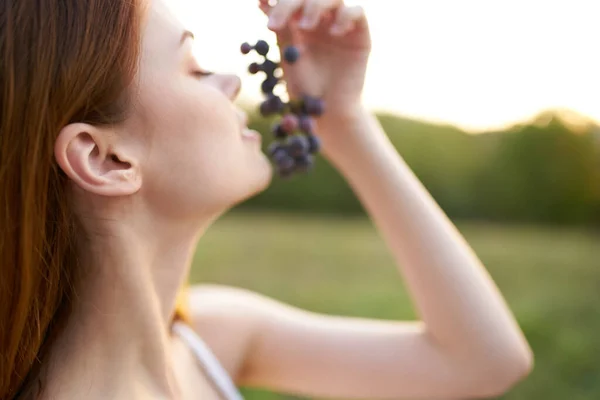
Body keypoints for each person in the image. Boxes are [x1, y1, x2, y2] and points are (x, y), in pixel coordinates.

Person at [0, 0, 533, 399]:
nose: (232, 81)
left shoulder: (210, 340)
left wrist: (341, 120)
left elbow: (485, 360)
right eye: (194, 69)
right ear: (105, 160)